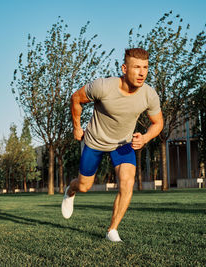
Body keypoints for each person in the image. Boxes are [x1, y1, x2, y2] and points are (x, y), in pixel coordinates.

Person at [62, 48, 164, 242]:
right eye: (136, 67)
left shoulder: (149, 95)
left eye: (145, 68)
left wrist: (145, 137)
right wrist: (77, 127)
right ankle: (70, 190)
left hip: (123, 144)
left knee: (127, 183)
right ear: (124, 68)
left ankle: (112, 230)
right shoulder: (103, 86)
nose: (142, 72)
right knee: (84, 186)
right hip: (94, 141)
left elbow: (158, 123)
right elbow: (76, 98)